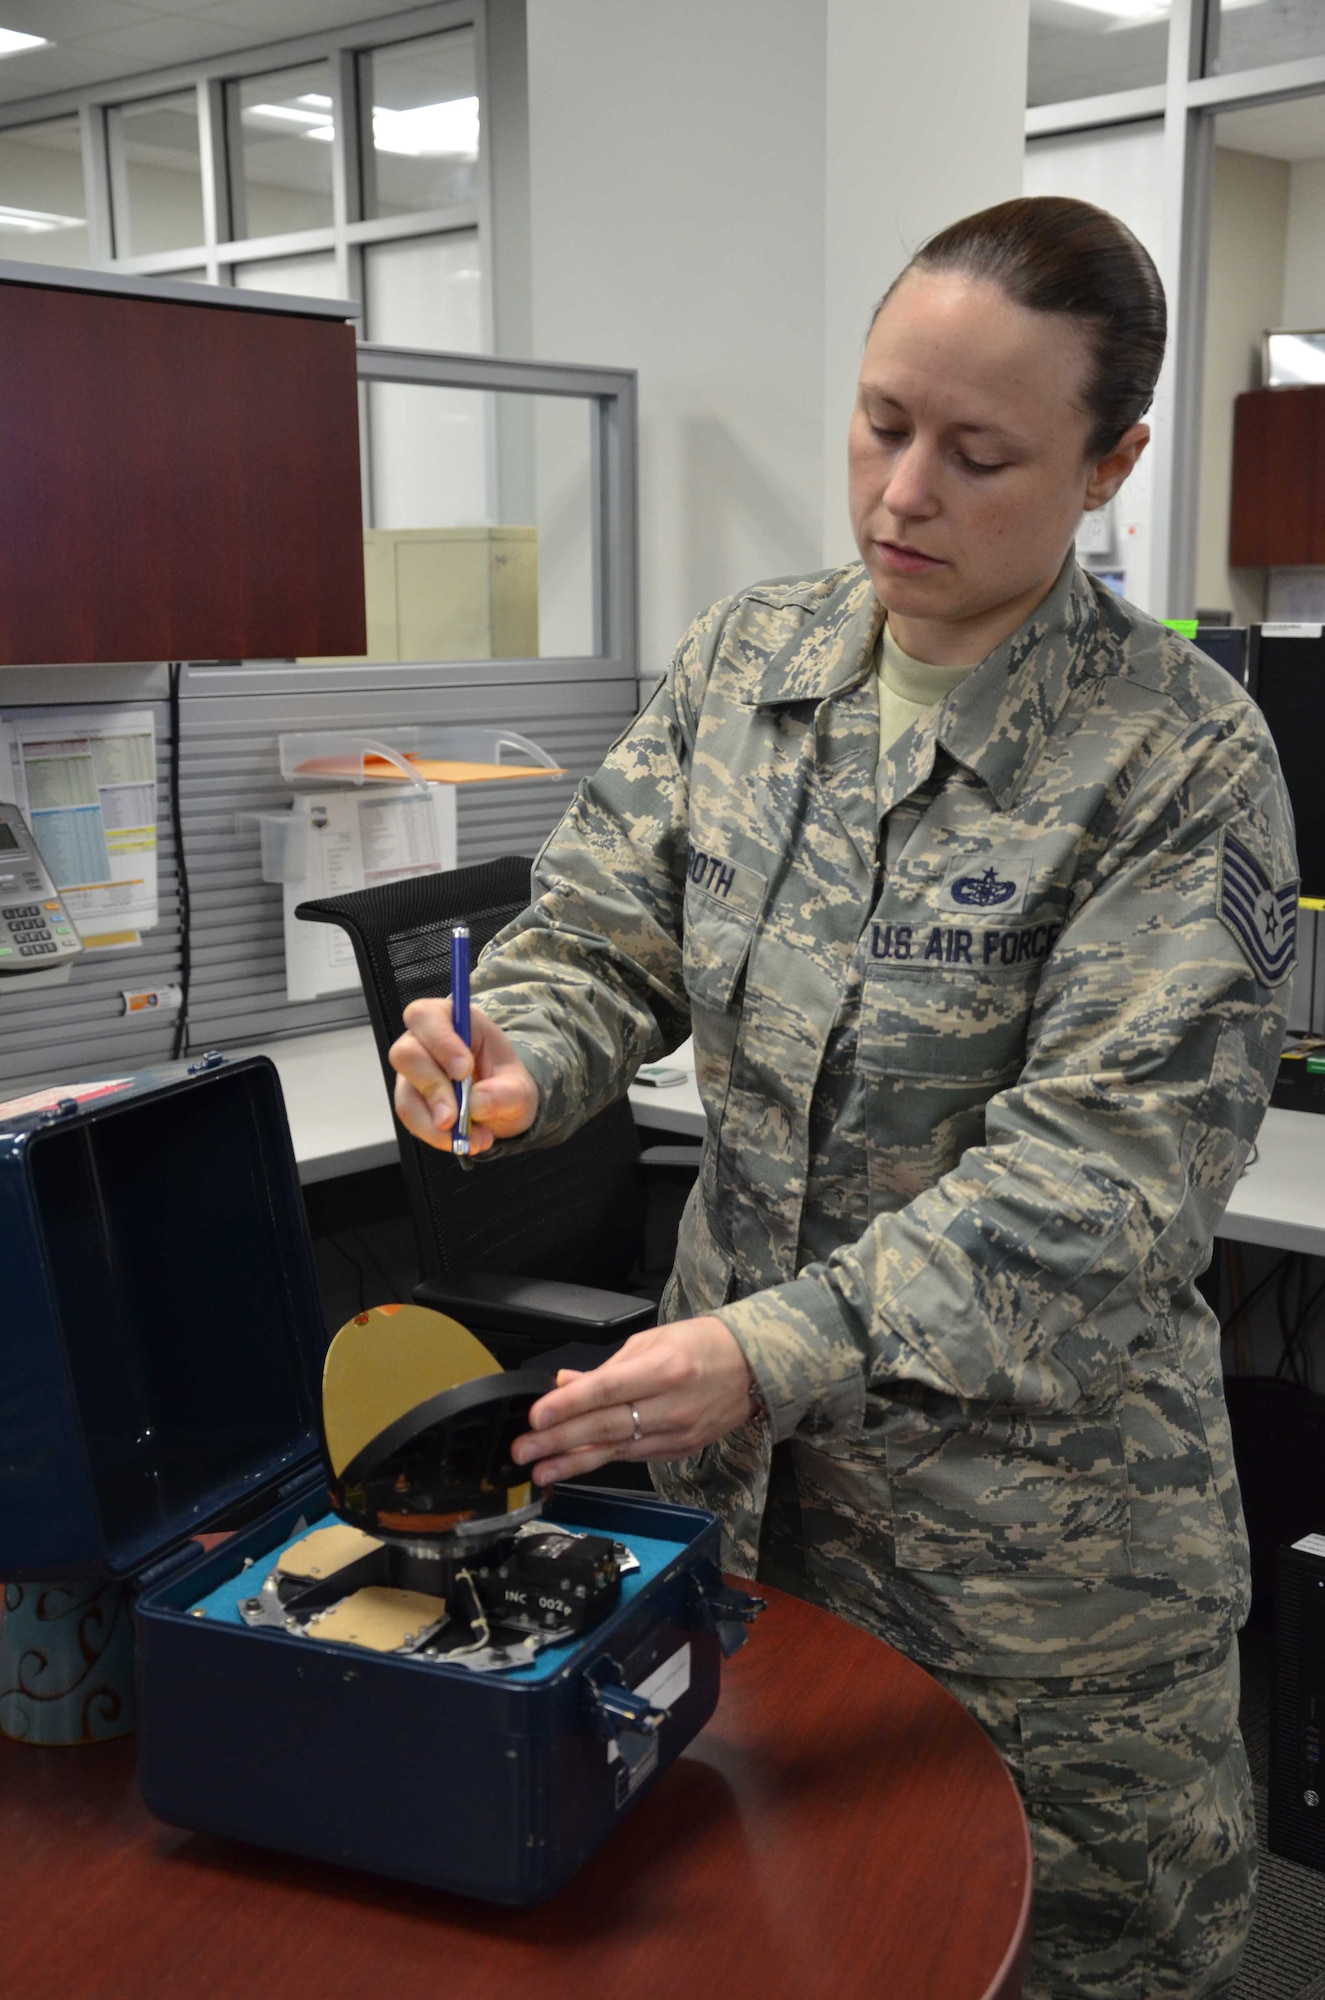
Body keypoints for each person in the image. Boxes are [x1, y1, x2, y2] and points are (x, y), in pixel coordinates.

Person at [389, 196, 1297, 1999]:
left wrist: (759, 1348)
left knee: (1068, 1967)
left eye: (977, 455)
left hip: (1039, 1574)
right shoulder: (750, 664)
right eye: (881, 424)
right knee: (762, 1941)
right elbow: (596, 935)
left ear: (1109, 462)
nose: (900, 494)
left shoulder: (1181, 758)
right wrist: (522, 1056)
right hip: (732, 1514)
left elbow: (1094, 1189)